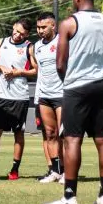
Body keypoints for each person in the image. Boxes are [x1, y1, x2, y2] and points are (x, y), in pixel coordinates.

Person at [42, 0, 103, 204]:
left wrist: (69, 84)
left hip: (76, 87)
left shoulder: (69, 23)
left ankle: (69, 197)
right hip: (101, 85)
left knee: (72, 139)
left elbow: (60, 63)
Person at [0, 18, 36, 180]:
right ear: (13, 27)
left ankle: (14, 170)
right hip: (2, 97)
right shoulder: (1, 42)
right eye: (16, 30)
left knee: (19, 134)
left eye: (22, 33)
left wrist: (18, 72)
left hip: (20, 97)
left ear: (27, 34)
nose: (17, 35)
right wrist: (2, 68)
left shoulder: (29, 47)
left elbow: (35, 71)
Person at [33, 11, 64, 183]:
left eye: (43, 27)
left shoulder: (63, 42)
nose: (40, 30)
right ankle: (55, 170)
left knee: (64, 135)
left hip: (61, 94)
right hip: (44, 95)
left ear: (53, 25)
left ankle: (67, 172)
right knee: (50, 134)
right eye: (38, 27)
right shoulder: (37, 46)